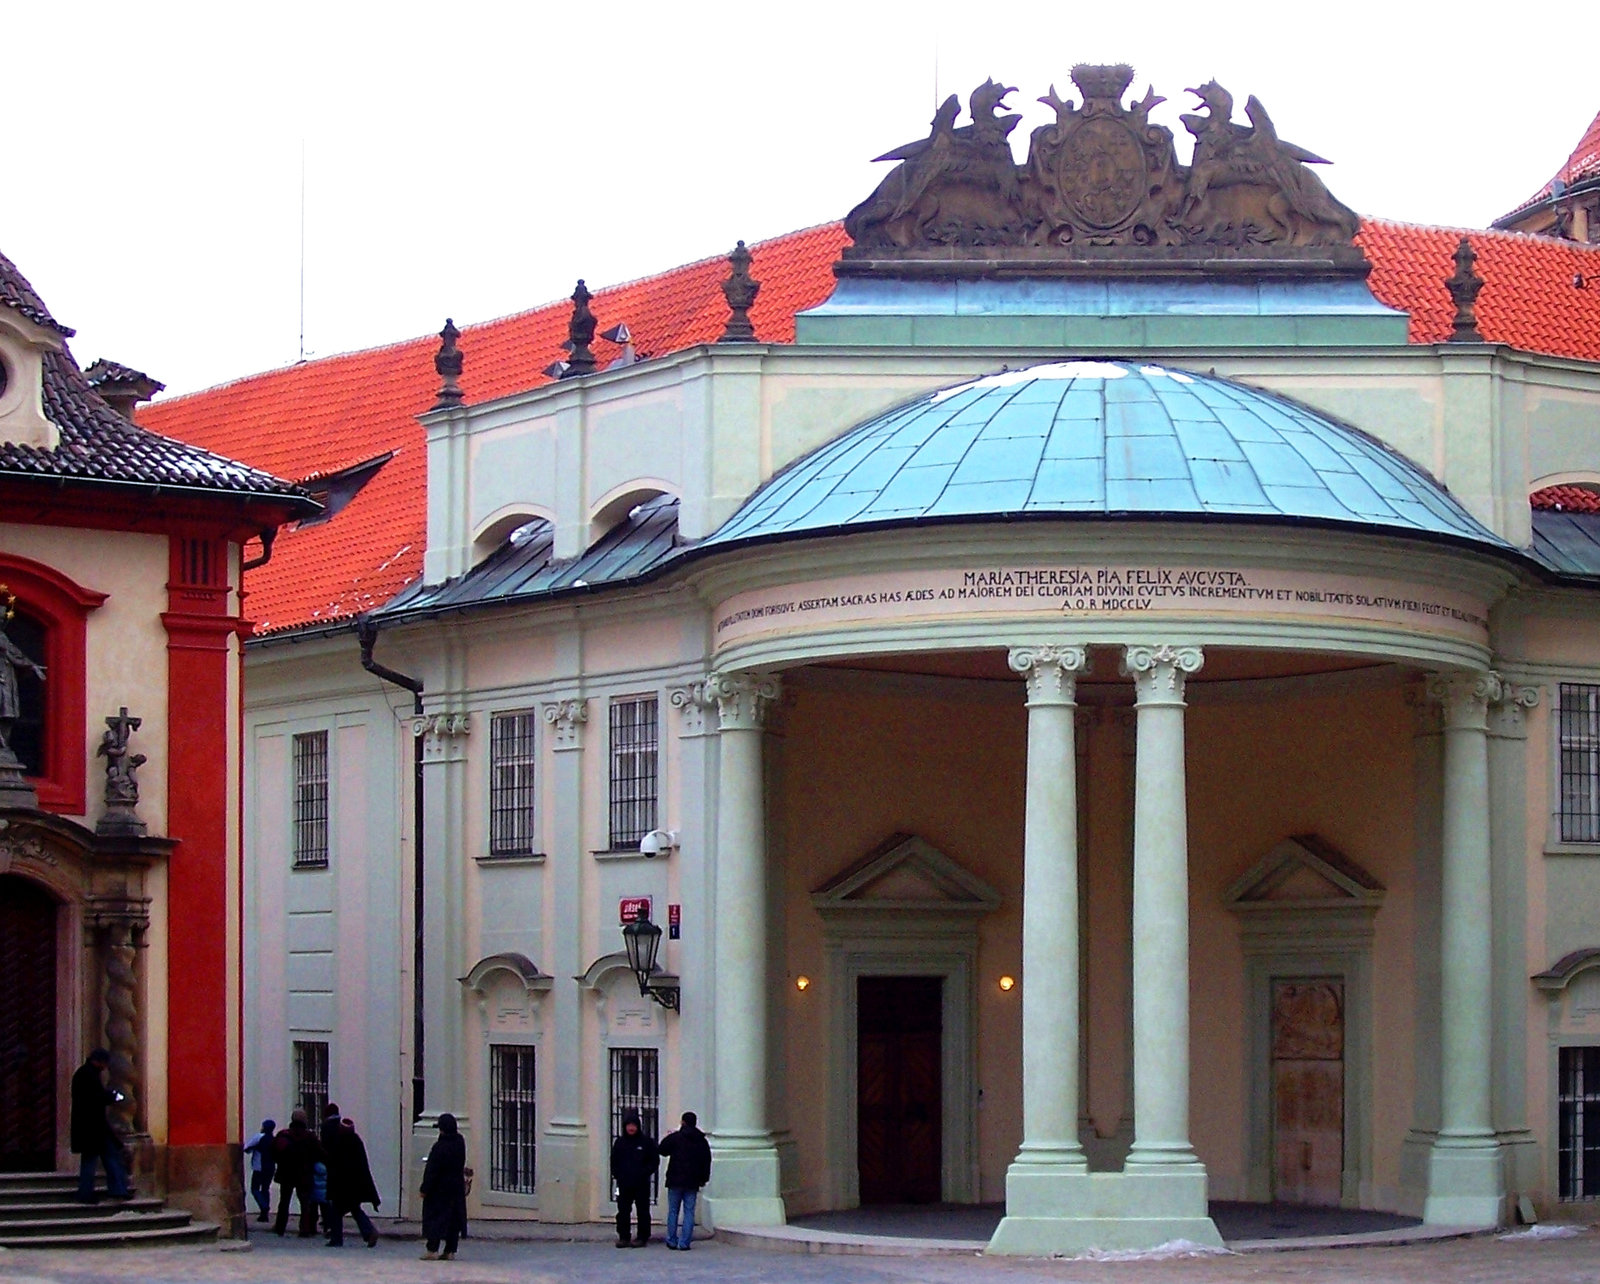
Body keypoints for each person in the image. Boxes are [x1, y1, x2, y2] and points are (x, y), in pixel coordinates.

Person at [71, 1049, 132, 1203]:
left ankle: (117, 1190)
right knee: (93, 1161)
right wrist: (111, 1096)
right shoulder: (87, 1075)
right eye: (104, 1063)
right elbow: (95, 1098)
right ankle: (88, 1193)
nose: (105, 1066)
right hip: (92, 1127)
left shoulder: (86, 1074)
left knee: (107, 1157)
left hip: (94, 1126)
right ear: (97, 1061)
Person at [656, 1111, 711, 1251]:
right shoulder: (701, 1140)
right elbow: (706, 1161)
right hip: (692, 1181)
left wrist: (668, 1136)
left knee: (673, 1211)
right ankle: (685, 1242)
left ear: (683, 1122)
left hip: (675, 1179)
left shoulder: (676, 1137)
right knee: (689, 1212)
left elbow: (662, 1150)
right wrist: (704, 1178)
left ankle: (672, 1240)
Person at [325, 1117, 381, 1248]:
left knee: (337, 1212)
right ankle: (368, 1232)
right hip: (355, 1186)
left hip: (341, 1186)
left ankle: (337, 1238)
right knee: (355, 1210)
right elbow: (363, 1165)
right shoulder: (356, 1141)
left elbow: (334, 1164)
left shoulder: (339, 1142)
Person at [419, 1112, 467, 1260]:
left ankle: (432, 1249)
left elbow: (432, 1170)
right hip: (456, 1187)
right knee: (453, 1221)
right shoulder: (460, 1142)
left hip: (439, 1190)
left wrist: (424, 1188)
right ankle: (450, 1250)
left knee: (435, 1220)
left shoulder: (440, 1147)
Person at [610, 1108, 659, 1248]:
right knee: (623, 1211)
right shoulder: (620, 1143)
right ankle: (624, 1236)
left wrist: (644, 1173)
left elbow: (654, 1161)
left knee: (643, 1211)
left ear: (638, 1126)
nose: (631, 1128)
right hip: (623, 1183)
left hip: (641, 1183)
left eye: (634, 1125)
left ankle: (642, 1237)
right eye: (628, 1125)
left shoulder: (646, 1142)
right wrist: (617, 1174)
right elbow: (614, 1161)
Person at [271, 1109, 324, 1237]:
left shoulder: (283, 1135)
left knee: (284, 1202)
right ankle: (304, 1229)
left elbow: (274, 1152)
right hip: (304, 1174)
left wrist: (282, 1162)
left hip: (286, 1174)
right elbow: (319, 1153)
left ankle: (280, 1227)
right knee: (305, 1204)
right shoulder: (309, 1137)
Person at [243, 1119, 277, 1222]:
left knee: (255, 1189)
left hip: (259, 1167)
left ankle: (264, 1206)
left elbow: (246, 1148)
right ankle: (264, 1214)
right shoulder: (273, 1139)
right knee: (265, 1189)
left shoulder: (259, 1137)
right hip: (271, 1167)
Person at [319, 1102, 342, 1234]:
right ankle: (332, 1226)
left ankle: (329, 1224)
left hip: (328, 1165)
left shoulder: (326, 1126)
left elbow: (324, 1145)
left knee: (327, 1197)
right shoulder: (341, 1126)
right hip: (340, 1166)